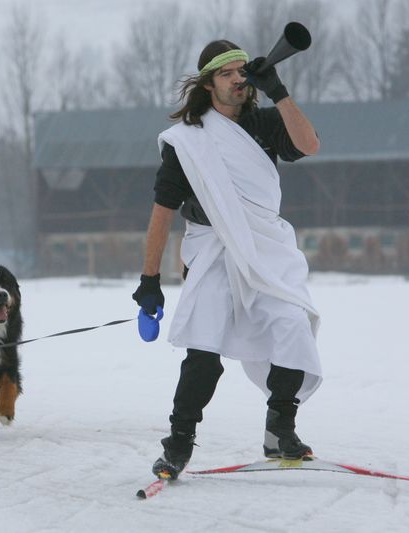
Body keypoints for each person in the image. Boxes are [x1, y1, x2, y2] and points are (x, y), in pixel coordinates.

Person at [131, 40, 323, 480]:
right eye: (226, 73)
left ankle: (280, 428)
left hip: (265, 245)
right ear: (207, 83)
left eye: (243, 71)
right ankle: (178, 444)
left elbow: (309, 145)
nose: (238, 79)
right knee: (204, 345)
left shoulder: (264, 122)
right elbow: (161, 215)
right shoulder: (186, 142)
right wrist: (148, 279)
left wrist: (279, 91)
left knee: (293, 324)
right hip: (213, 248)